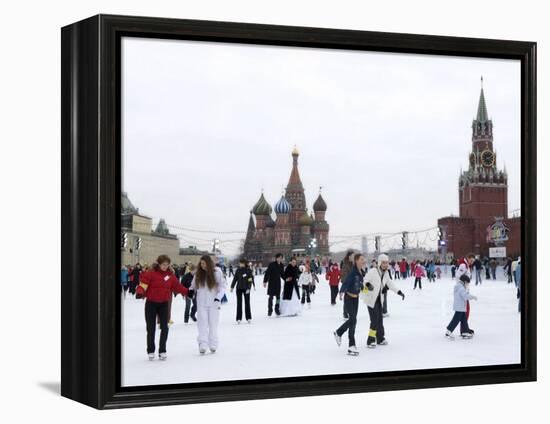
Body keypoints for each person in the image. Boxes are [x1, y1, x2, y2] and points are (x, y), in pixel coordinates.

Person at [135, 255, 189, 360]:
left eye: (167, 264)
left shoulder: (170, 275)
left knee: (165, 327)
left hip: (164, 304)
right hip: (151, 303)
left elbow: (177, 286)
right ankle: (151, 350)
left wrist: (188, 292)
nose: (165, 266)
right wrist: (140, 292)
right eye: (163, 264)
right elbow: (143, 284)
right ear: (159, 264)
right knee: (151, 328)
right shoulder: (150, 273)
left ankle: (162, 350)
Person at [362, 254, 405, 348]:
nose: (386, 265)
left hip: (378, 299)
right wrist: (368, 285)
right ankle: (370, 340)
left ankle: (380, 338)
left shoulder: (386, 273)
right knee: (374, 320)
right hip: (370, 299)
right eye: (384, 263)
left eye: (387, 263)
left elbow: (390, 283)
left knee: (380, 319)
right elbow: (364, 281)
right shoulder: (373, 271)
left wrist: (399, 292)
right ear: (380, 263)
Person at [190, 255, 227, 354]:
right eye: (201, 264)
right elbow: (193, 286)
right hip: (201, 303)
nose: (203, 266)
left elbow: (222, 287)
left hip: (214, 303)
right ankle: (202, 343)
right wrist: (190, 291)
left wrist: (218, 297)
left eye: (204, 263)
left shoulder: (217, 273)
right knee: (202, 324)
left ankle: (213, 343)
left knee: (213, 324)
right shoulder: (198, 274)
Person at [333, 253, 366, 356]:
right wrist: (341, 292)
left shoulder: (361, 272)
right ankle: (338, 332)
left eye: (363, 260)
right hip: (349, 298)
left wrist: (367, 288)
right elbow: (346, 283)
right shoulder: (353, 272)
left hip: (356, 299)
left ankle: (351, 346)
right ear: (356, 261)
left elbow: (360, 285)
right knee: (352, 320)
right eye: (361, 259)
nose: (363, 261)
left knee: (353, 322)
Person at [445, 274, 477, 339]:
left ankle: (464, 331)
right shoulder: (461, 288)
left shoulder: (459, 286)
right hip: (460, 307)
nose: (467, 284)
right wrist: (472, 297)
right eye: (467, 283)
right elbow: (465, 296)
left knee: (464, 320)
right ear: (464, 281)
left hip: (460, 306)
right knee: (456, 320)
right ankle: (449, 330)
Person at [230, 258, 255, 324]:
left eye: (241, 263)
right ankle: (238, 318)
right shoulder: (238, 270)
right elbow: (235, 279)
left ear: (244, 263)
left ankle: (248, 317)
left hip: (246, 289)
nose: (240, 264)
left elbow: (250, 280)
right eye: (240, 263)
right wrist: (232, 286)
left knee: (247, 303)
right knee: (239, 304)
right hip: (239, 289)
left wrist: (249, 288)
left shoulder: (249, 270)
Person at [340, 250, 354, 319]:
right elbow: (344, 275)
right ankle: (345, 313)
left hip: (352, 283)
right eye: (352, 256)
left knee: (350, 299)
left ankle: (348, 312)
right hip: (347, 283)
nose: (353, 257)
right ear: (349, 256)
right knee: (347, 299)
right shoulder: (346, 264)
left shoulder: (352, 263)